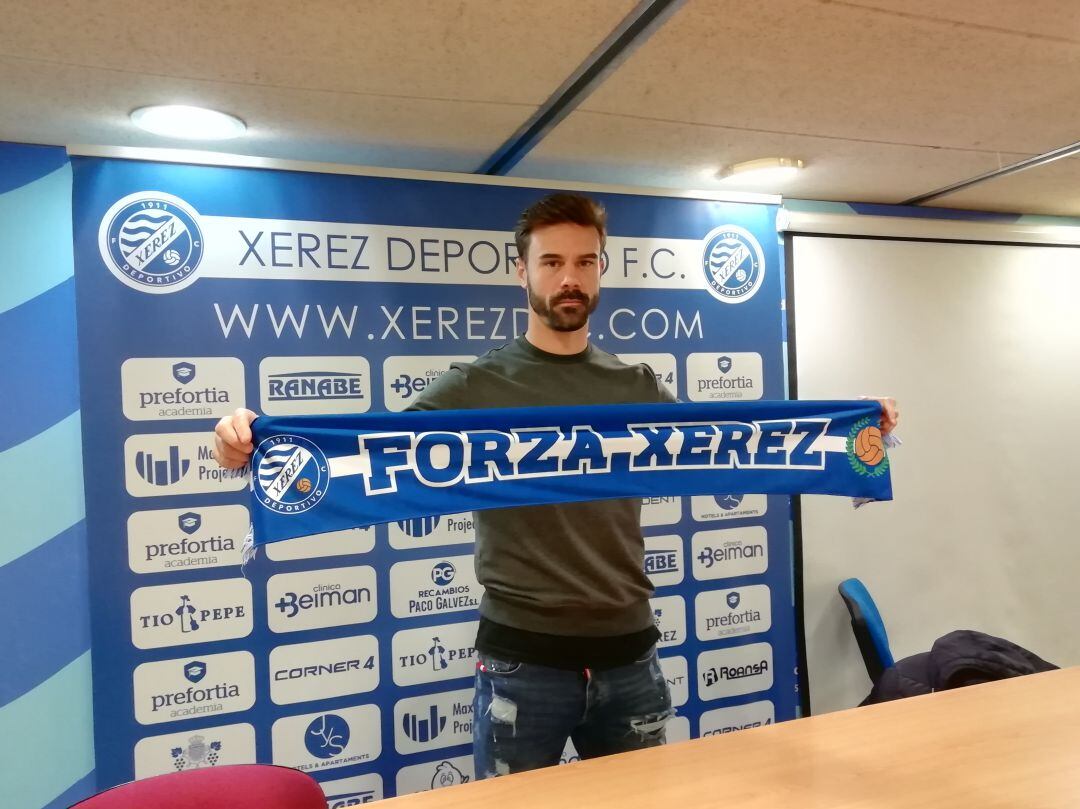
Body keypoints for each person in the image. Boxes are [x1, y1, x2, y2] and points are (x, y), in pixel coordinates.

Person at [214, 192, 899, 778]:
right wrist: (244, 445)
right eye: (551, 263)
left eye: (583, 262)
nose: (568, 279)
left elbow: (738, 441)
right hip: (522, 663)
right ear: (523, 273)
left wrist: (854, 432)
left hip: (631, 658)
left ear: (599, 271)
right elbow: (362, 457)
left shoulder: (636, 388)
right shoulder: (476, 385)